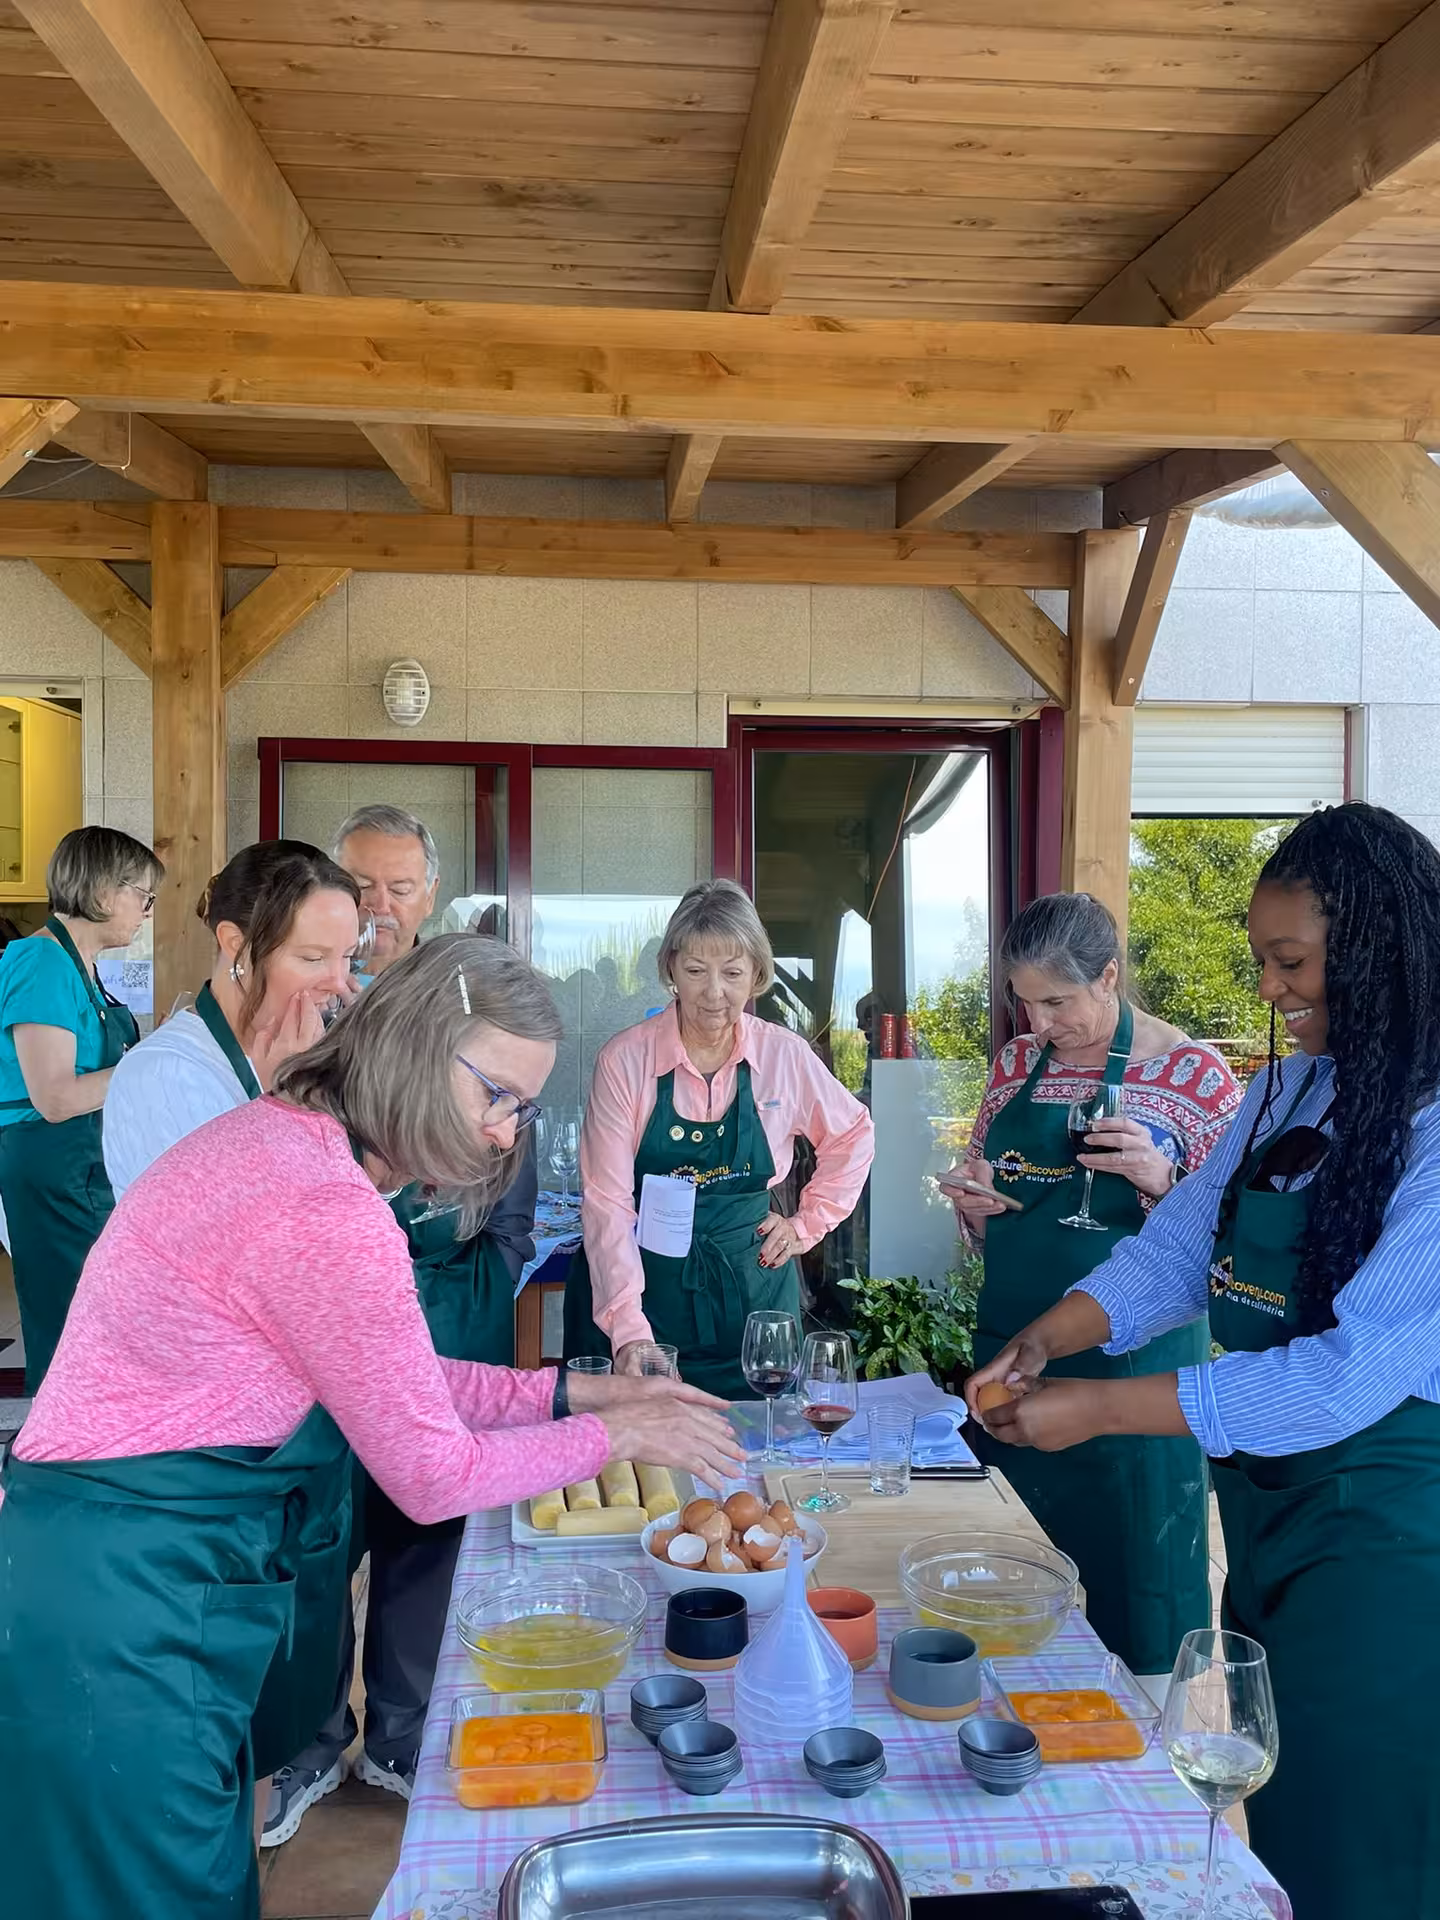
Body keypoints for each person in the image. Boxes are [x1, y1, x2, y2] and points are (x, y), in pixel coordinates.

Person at [0, 932, 743, 1920]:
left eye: (522, 1111)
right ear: (417, 1048)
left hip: (110, 1575)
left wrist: (573, 1394)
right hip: (127, 1609)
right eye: (498, 1097)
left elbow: (393, 1376)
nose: (505, 1137)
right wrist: (624, 1438)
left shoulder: (290, 1142)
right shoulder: (323, 1204)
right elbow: (431, 1476)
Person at [965, 805, 1440, 1920]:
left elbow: (1341, 1376)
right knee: (1285, 1801)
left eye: (1292, 962)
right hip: (1270, 1507)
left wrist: (1100, 1407)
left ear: (1380, 953)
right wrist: (1050, 1334)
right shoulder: (1290, 1090)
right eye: (1262, 960)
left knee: (1357, 1829)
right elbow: (1175, 1252)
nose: (1269, 989)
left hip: (1385, 1535)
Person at [260, 803, 542, 1842]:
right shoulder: (311, 1008)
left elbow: (511, 1192)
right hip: (322, 1313)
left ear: (432, 894)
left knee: (428, 1531)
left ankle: (403, 1735)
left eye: (401, 887)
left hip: (451, 1302)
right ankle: (308, 1741)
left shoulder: (473, 1002)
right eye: (362, 886)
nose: (380, 907)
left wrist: (464, 1288)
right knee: (319, 1533)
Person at [948, 892, 1242, 1685]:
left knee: (1134, 1589)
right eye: (1025, 1002)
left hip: (1134, 1375)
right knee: (1014, 1584)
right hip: (1013, 1348)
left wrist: (1164, 1181)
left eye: (1057, 1002)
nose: (1038, 1024)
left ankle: (1146, 1732)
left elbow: (1238, 1243)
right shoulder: (1016, 1066)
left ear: (1109, 976)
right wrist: (977, 1205)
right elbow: (990, 1190)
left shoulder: (1193, 1076)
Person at [566, 878, 874, 1397]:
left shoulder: (784, 1056)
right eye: (695, 971)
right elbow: (607, 1203)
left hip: (754, 1298)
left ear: (756, 975)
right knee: (642, 1443)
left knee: (759, 1436)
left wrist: (806, 1225)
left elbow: (853, 1134)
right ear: (671, 970)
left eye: (732, 973)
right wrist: (630, 1333)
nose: (714, 993)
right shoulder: (625, 1061)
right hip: (643, 1292)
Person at [102, 841, 362, 1201]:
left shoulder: (317, 1051)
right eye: (312, 958)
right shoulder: (162, 1076)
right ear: (236, 943)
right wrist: (284, 1104)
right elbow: (224, 1222)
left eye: (348, 956)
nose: (338, 982)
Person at [0, 824, 162, 1392]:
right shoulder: (39, 961)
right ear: (101, 891)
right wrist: (149, 1065)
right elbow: (54, 1097)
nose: (146, 912)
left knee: (97, 1318)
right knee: (72, 1323)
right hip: (50, 1162)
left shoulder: (82, 968)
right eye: (142, 896)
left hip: (82, 1164)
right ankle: (63, 1440)